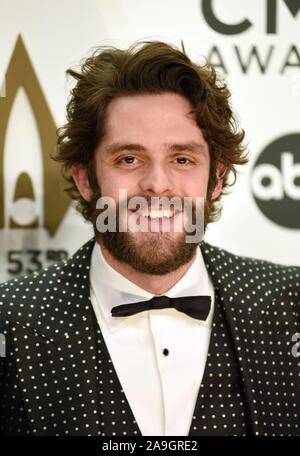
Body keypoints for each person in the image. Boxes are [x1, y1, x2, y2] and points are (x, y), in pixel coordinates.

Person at [0, 41, 299, 437]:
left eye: (182, 159)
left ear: (215, 179)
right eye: (128, 159)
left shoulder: (289, 304)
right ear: (85, 178)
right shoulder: (11, 320)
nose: (157, 185)